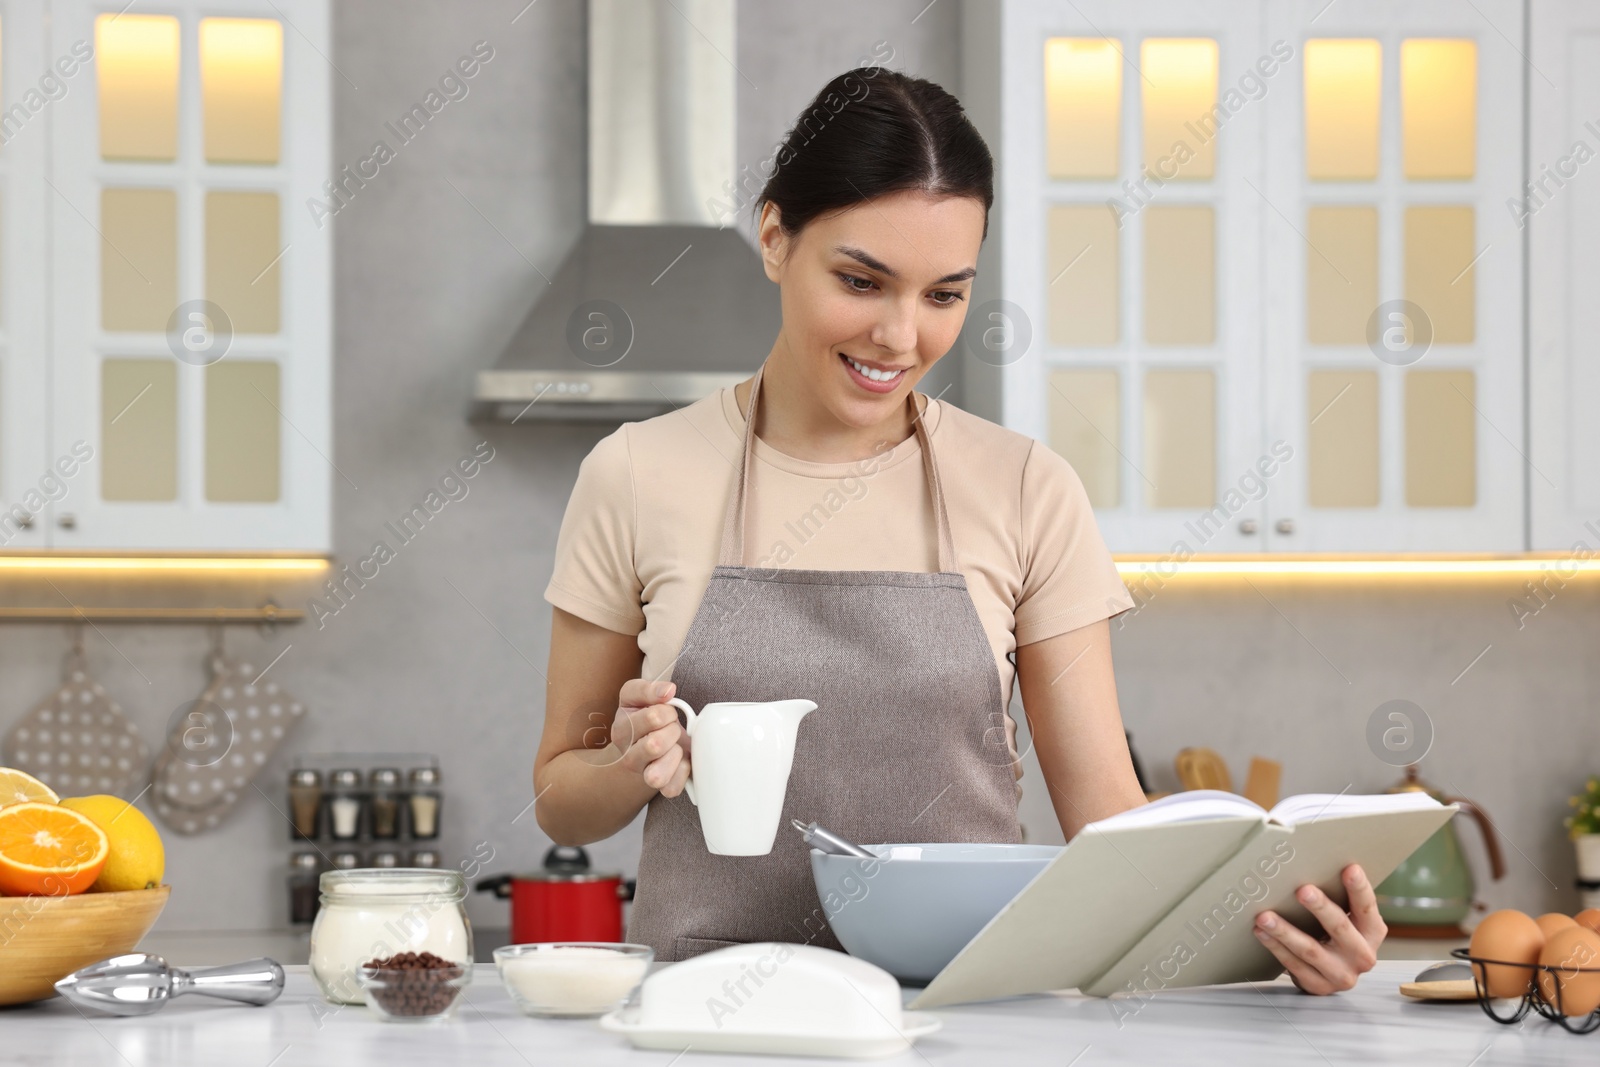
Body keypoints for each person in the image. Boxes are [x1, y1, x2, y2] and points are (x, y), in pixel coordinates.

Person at [533, 67, 1385, 995]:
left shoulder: (1026, 488)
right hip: (712, 1016)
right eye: (862, 281)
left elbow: (1110, 820)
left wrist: (1282, 935)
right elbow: (560, 798)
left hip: (969, 1016)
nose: (901, 336)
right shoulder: (635, 473)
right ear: (775, 237)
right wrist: (623, 764)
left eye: (944, 294)